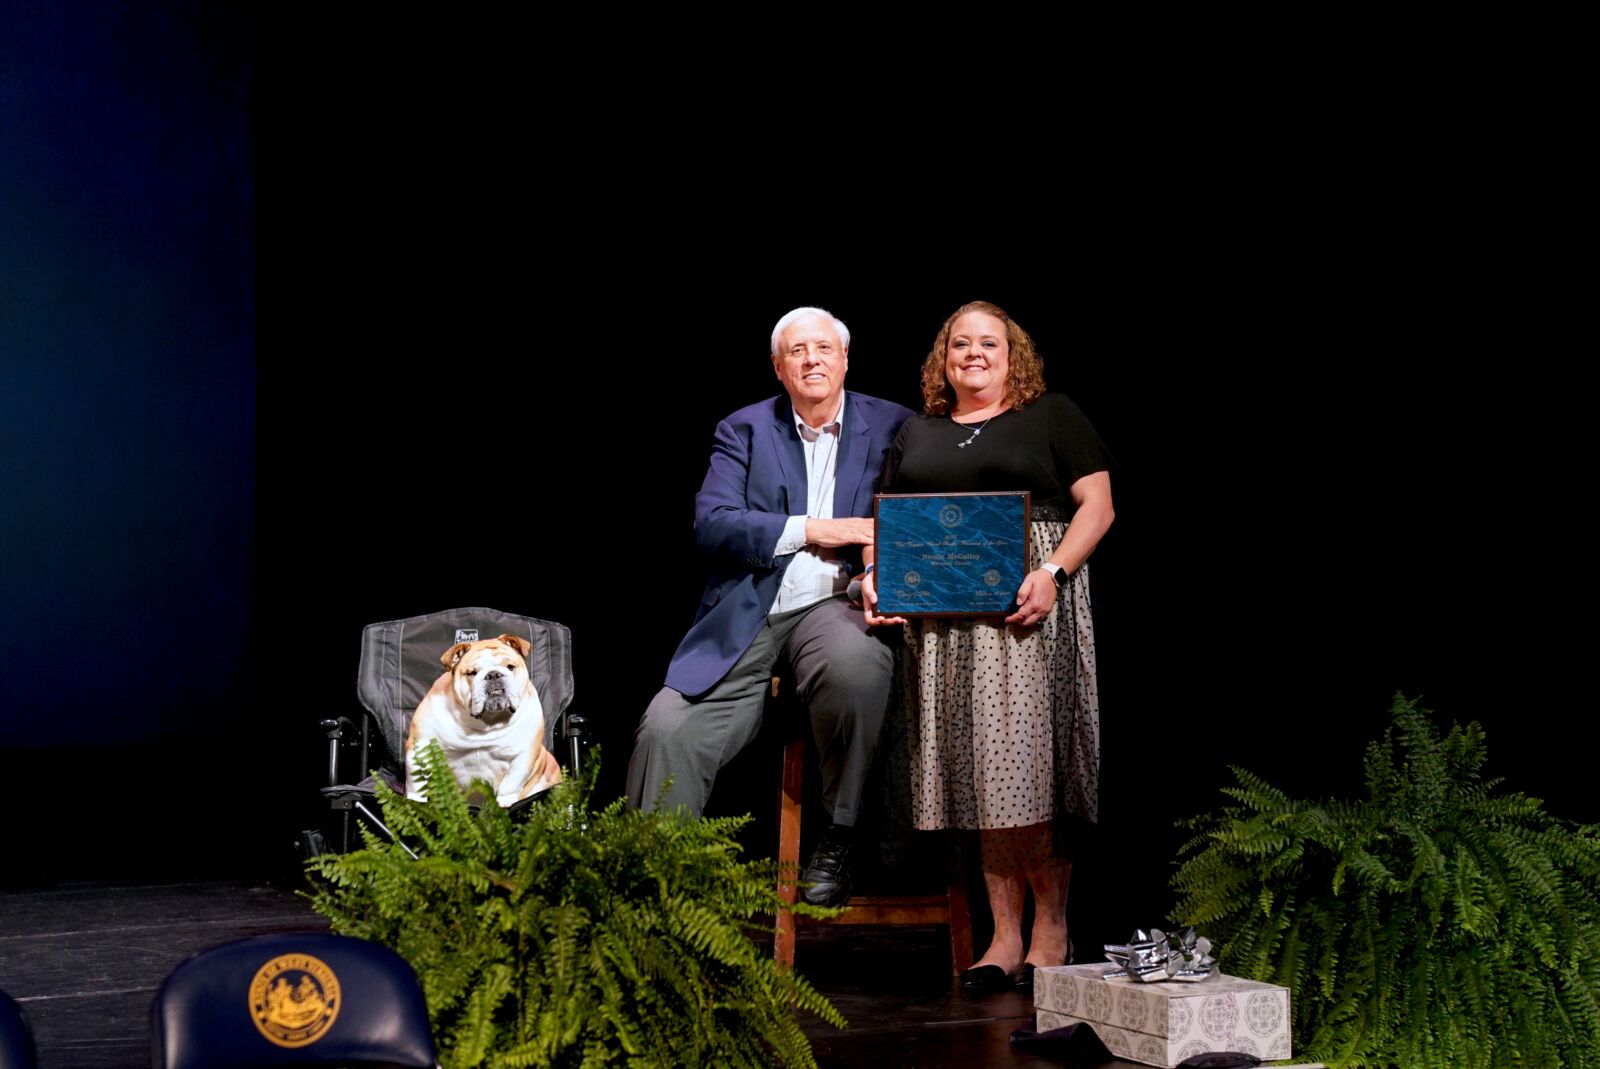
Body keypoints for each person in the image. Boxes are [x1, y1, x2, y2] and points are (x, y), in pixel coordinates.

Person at [862, 300, 1114, 992]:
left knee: (1027, 769)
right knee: (973, 774)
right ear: (944, 357)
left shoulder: (1052, 416)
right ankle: (1003, 936)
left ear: (1014, 355)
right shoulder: (920, 431)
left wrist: (1054, 573)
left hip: (1024, 609)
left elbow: (1099, 504)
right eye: (960, 343)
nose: (974, 353)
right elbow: (893, 523)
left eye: (989, 343)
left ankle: (1051, 927)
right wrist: (875, 577)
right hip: (944, 625)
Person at [626, 306, 914, 907]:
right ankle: (649, 893)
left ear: (844, 360)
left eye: (823, 349)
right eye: (797, 351)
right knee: (666, 728)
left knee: (856, 668)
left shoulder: (895, 426)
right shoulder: (745, 429)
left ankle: (838, 836)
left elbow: (910, 520)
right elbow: (715, 525)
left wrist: (874, 571)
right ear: (779, 368)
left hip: (840, 603)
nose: (812, 360)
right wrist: (817, 528)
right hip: (752, 607)